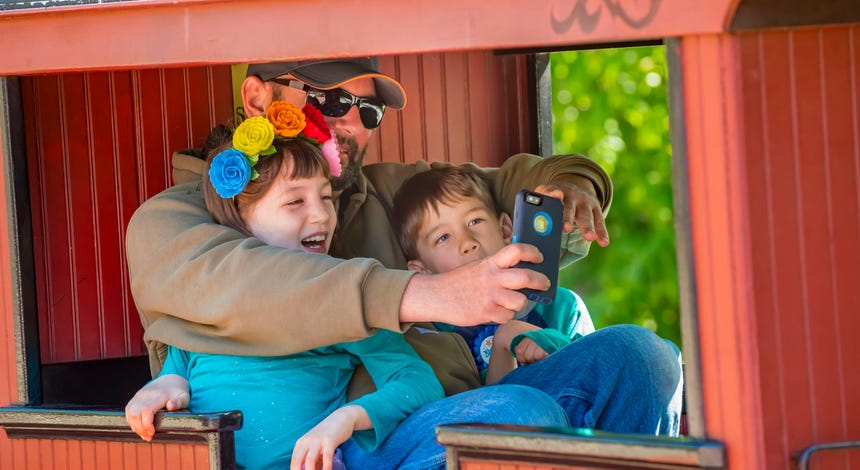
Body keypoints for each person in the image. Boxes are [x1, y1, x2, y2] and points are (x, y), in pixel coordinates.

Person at [125, 56, 682, 444]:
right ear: (257, 97)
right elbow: (261, 285)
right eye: (331, 98)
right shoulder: (170, 221)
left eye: (367, 111)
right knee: (518, 417)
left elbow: (500, 184)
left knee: (642, 359)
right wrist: (432, 294)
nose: (349, 121)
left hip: (478, 399)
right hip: (355, 439)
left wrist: (568, 185)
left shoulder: (384, 190)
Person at [126, 102, 562, 470]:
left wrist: (350, 418)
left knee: (524, 408)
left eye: (326, 198)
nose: (321, 216)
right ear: (241, 219)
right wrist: (165, 387)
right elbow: (177, 364)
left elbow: (416, 382)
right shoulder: (206, 308)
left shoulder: (345, 306)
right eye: (296, 201)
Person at [390, 165, 596, 385]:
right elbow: (478, 411)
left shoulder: (563, 307)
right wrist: (505, 341)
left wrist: (550, 343)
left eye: (474, 221)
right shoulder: (435, 338)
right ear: (422, 272)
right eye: (443, 237)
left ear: (506, 230)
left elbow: (597, 373)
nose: (467, 242)